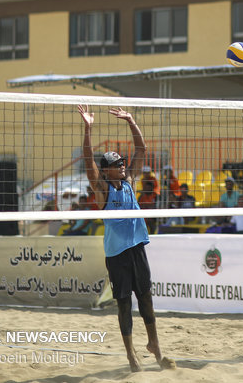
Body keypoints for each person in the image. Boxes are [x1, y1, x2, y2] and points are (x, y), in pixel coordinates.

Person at [77, 104, 175, 372]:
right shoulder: (102, 191)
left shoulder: (130, 181)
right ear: (106, 171)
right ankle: (131, 354)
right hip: (117, 254)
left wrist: (131, 120)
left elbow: (141, 150)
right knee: (124, 304)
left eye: (122, 162)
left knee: (146, 298)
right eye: (116, 164)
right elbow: (88, 161)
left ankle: (155, 345)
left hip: (137, 248)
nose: (122, 166)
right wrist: (88, 128)